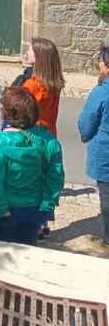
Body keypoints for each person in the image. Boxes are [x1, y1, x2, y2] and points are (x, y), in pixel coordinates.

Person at [0, 86, 65, 247]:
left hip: (6, 208)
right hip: (34, 207)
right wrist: (47, 204)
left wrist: (0, 209)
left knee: (3, 252)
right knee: (27, 251)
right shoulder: (48, 140)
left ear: (8, 113)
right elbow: (56, 177)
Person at [20, 37, 65, 238]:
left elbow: (19, 111)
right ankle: (42, 223)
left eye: (30, 50)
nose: (27, 52)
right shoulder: (54, 82)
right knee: (44, 182)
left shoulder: (32, 85)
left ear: (39, 57)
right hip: (49, 137)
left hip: (32, 137)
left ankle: (35, 225)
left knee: (30, 183)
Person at [78, 46, 109, 253]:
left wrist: (85, 136)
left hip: (106, 154)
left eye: (101, 60)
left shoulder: (102, 92)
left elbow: (87, 122)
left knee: (107, 198)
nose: (98, 63)